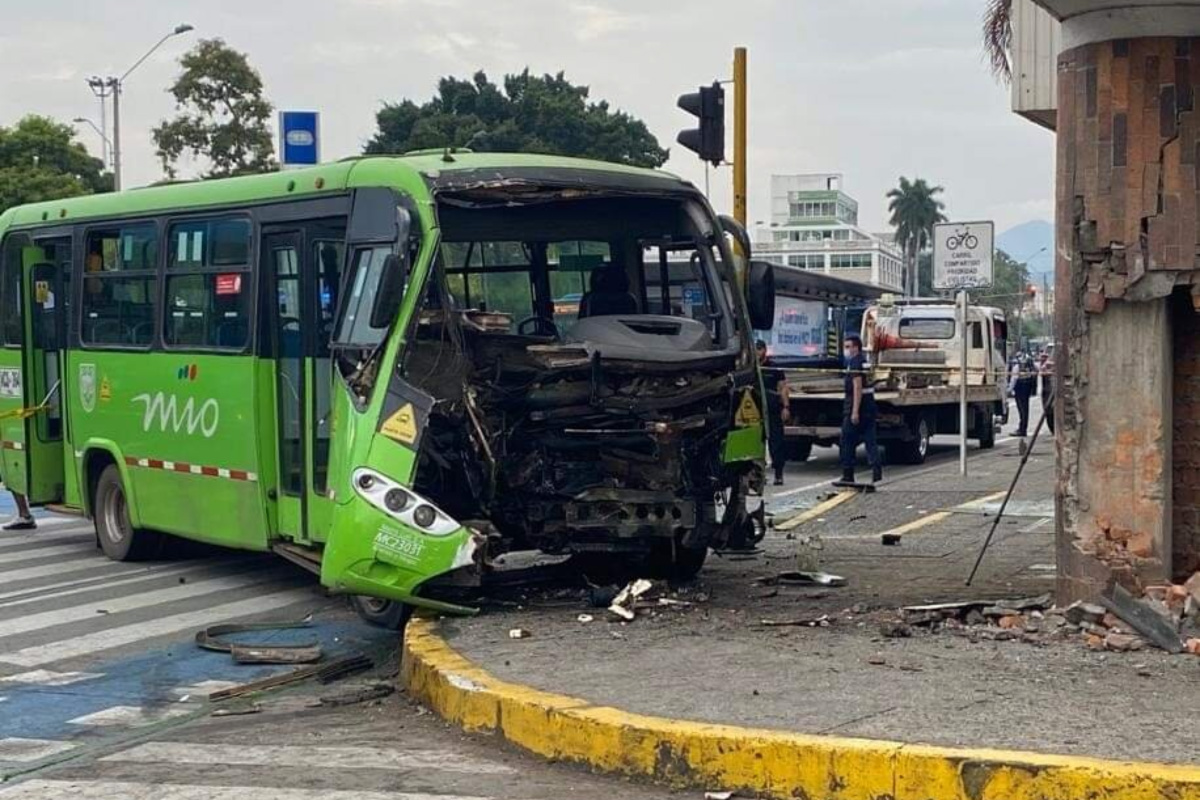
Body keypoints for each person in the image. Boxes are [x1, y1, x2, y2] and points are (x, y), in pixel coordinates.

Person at [839, 334, 882, 485]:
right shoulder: (864, 362)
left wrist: (854, 411)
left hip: (858, 405)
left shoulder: (855, 363)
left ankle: (847, 474)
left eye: (848, 347)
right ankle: (876, 471)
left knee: (847, 440)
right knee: (870, 440)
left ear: (856, 347)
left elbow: (857, 387)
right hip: (870, 405)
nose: (846, 350)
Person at [757, 340, 790, 486]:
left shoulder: (774, 367)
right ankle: (758, 474)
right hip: (755, 410)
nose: (757, 352)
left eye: (759, 349)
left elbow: (783, 387)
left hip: (772, 408)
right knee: (756, 443)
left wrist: (785, 407)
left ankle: (778, 474)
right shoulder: (751, 366)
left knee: (776, 442)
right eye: (755, 349)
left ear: (764, 350)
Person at [1010, 350, 1037, 437]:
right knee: (1025, 409)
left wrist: (1009, 389)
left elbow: (1014, 378)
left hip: (1019, 388)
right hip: (1027, 388)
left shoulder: (1016, 365)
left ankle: (1022, 429)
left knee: (1021, 410)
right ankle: (1023, 428)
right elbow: (1036, 371)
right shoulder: (1030, 364)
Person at [1038, 351, 1055, 434]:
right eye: (1042, 358)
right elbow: (1041, 371)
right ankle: (1052, 429)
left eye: (1044, 357)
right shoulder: (1043, 367)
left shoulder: (1050, 364)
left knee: (1051, 411)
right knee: (1048, 412)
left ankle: (1054, 429)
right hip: (1046, 392)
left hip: (1051, 391)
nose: (1043, 359)